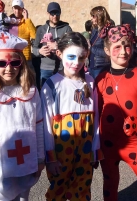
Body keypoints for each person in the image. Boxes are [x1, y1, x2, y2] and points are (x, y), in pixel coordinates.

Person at [0, 27, 44, 201]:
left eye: (15, 63)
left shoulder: (31, 92)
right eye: (2, 63)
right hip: (0, 168)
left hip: (26, 161)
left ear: (22, 64)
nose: (9, 68)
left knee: (23, 198)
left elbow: (39, 126)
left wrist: (40, 157)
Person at [96, 25, 137, 201]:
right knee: (110, 186)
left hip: (134, 143)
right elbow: (97, 114)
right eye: (117, 47)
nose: (123, 51)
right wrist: (94, 148)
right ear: (107, 50)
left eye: (127, 45)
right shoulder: (101, 78)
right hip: (107, 144)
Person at [41, 32, 101, 201]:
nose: (76, 62)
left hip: (86, 147)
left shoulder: (90, 82)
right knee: (58, 188)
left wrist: (95, 148)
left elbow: (95, 118)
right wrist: (50, 157)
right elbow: (46, 123)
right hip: (61, 149)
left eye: (81, 58)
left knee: (82, 188)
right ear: (59, 54)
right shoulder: (52, 84)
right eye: (71, 56)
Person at [33, 2, 72, 87]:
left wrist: (58, 46)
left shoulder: (66, 29)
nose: (55, 16)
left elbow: (71, 46)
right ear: (48, 14)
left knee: (61, 94)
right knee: (45, 95)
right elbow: (34, 48)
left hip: (62, 68)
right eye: (52, 13)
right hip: (45, 69)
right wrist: (39, 51)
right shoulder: (41, 30)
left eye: (57, 13)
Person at [88, 6, 111, 79]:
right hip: (91, 65)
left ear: (99, 16)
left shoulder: (108, 31)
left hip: (101, 66)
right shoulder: (95, 30)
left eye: (93, 16)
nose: (91, 18)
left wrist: (91, 48)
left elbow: (108, 52)